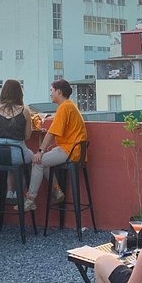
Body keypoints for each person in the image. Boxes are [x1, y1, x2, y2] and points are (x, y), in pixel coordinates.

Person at [23, 79, 88, 211]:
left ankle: (30, 199)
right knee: (44, 161)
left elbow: (52, 132)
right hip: (75, 150)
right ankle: (56, 190)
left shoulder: (64, 107)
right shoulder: (70, 105)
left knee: (38, 161)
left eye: (51, 91)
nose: (50, 94)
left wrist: (40, 151)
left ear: (59, 91)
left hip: (69, 150)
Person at [0, 79, 33, 201]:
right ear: (19, 93)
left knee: (9, 162)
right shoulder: (25, 111)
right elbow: (27, 136)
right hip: (18, 154)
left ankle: (9, 191)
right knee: (32, 160)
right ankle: (20, 193)